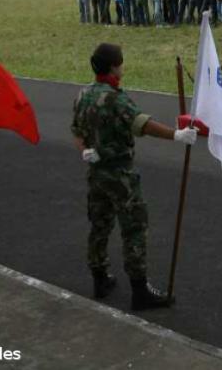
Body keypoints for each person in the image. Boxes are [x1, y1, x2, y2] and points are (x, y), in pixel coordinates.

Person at [72, 43, 198, 305]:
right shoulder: (116, 99)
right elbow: (142, 124)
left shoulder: (83, 94)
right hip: (120, 175)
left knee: (99, 226)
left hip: (96, 173)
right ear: (115, 66)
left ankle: (100, 278)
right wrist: (176, 135)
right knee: (134, 229)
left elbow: (77, 131)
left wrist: (85, 150)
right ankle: (139, 290)